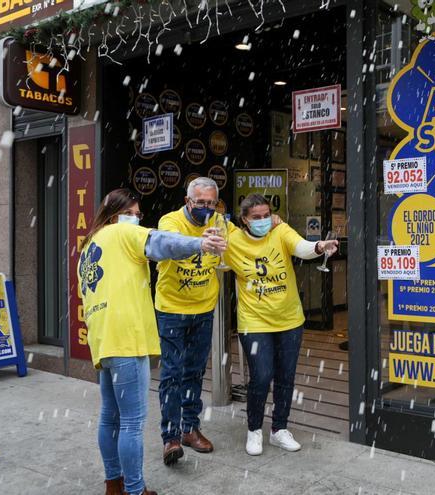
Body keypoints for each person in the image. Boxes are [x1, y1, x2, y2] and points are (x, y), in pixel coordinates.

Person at [78, 188, 226, 495]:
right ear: (116, 215)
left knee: (110, 416)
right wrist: (201, 243)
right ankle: (135, 489)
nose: (135, 219)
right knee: (131, 421)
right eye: (131, 213)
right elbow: (161, 242)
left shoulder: (90, 243)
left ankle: (114, 483)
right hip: (126, 337)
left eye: (138, 215)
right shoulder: (121, 233)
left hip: (104, 338)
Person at [155, 178, 283, 464]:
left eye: (211, 203)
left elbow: (244, 238)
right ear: (188, 200)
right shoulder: (170, 221)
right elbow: (169, 245)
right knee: (172, 374)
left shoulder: (220, 221)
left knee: (195, 372)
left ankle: (190, 428)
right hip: (172, 309)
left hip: (203, 309)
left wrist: (270, 222)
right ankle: (171, 437)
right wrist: (200, 243)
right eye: (200, 203)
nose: (206, 208)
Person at [223, 194, 339, 456]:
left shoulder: (281, 231)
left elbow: (302, 247)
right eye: (256, 217)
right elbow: (214, 234)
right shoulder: (233, 240)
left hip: (289, 319)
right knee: (262, 375)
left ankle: (279, 429)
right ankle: (254, 429)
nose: (263, 221)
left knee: (286, 376)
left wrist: (319, 246)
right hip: (253, 321)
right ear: (244, 220)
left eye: (267, 215)